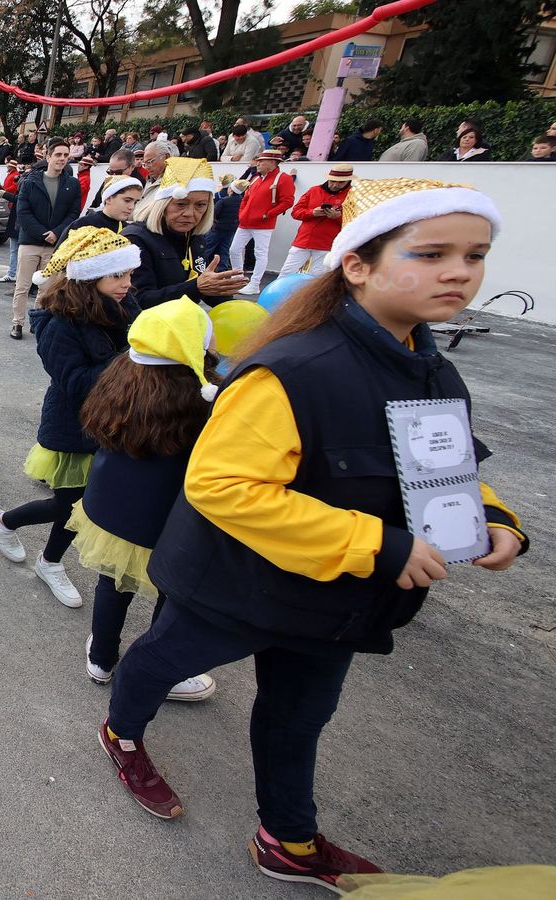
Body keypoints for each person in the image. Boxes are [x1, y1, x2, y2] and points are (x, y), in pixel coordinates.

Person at [96, 178, 526, 890]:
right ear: (356, 264)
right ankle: (122, 731)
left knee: (299, 719)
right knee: (160, 661)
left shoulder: (434, 369)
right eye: (431, 254)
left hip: (337, 600)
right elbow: (221, 486)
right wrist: (377, 545)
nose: (459, 272)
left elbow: (442, 467)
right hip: (236, 584)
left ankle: (288, 840)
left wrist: (490, 516)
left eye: (474, 256)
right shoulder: (294, 369)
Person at [70, 298, 219, 702]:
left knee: (112, 581)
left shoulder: (121, 372)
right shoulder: (203, 396)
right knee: (172, 594)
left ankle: (101, 658)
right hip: (169, 520)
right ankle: (159, 671)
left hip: (111, 507)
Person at [0, 227, 142, 608]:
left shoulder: (125, 305)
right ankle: (7, 524)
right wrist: (132, 361)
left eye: (128, 273)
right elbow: (74, 381)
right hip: (74, 426)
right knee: (69, 505)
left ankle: (47, 559)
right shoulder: (58, 322)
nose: (126, 283)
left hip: (112, 425)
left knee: (82, 503)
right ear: (89, 276)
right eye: (116, 275)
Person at [122, 158, 248, 309]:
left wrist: (226, 295)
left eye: (200, 205)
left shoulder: (194, 237)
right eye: (181, 204)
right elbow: (138, 301)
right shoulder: (135, 239)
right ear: (163, 204)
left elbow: (204, 288)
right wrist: (197, 287)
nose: (190, 213)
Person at [8, 140, 80, 339]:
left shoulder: (72, 184)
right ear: (48, 157)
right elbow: (23, 213)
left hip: (55, 245)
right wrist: (43, 233)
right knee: (22, 286)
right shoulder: (30, 182)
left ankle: (37, 321)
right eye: (58, 154)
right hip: (30, 242)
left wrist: (56, 233)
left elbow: (73, 214)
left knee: (46, 288)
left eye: (66, 155)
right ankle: (17, 323)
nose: (62, 159)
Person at [231, 149, 296, 295]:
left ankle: (255, 284)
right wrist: (242, 214)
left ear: (272, 162)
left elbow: (287, 201)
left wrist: (267, 215)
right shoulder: (256, 178)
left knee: (260, 253)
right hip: (246, 222)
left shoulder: (283, 178)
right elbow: (246, 198)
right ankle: (238, 279)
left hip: (263, 224)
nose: (258, 163)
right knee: (234, 249)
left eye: (261, 161)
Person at [281, 164, 352, 276]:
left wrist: (337, 217)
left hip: (326, 244)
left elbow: (355, 222)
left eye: (340, 182)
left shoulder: (352, 195)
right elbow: (295, 212)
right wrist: (312, 213)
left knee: (316, 278)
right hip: (304, 241)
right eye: (333, 181)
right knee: (286, 273)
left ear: (348, 181)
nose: (335, 185)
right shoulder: (314, 190)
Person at [68, 175, 141, 235]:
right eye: (127, 200)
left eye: (135, 202)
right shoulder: (83, 225)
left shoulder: (129, 230)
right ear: (108, 199)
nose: (132, 207)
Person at [204, 175, 243, 270]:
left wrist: (214, 223)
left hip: (218, 228)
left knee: (208, 247)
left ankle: (202, 266)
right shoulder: (242, 201)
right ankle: (222, 269)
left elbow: (213, 213)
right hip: (231, 229)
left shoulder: (223, 200)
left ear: (231, 189)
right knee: (225, 249)